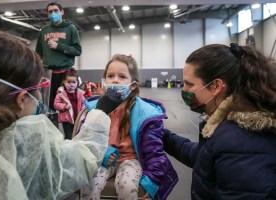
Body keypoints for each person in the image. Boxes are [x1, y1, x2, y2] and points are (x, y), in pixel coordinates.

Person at [0, 33, 123, 200]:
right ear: (21, 99)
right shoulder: (25, 142)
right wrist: (100, 113)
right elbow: (78, 163)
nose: (39, 96)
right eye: (39, 87)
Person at [163, 43, 276, 199]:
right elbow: (204, 157)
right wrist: (163, 137)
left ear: (216, 86)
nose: (184, 90)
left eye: (190, 84)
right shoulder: (227, 125)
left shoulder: (240, 140)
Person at [81, 54, 178, 200]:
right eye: (110, 75)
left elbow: (154, 151)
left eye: (122, 76)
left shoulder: (145, 113)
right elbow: (85, 139)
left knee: (126, 186)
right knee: (88, 183)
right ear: (104, 81)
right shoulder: (94, 108)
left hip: (131, 160)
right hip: (102, 159)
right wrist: (102, 151)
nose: (115, 80)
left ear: (132, 85)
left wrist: (152, 181)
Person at [35, 1, 82, 114]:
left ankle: (68, 130)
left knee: (67, 105)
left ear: (62, 12)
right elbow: (38, 53)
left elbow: (77, 50)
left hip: (65, 74)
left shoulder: (71, 28)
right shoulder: (44, 30)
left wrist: (59, 46)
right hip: (48, 74)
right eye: (50, 12)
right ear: (48, 14)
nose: (53, 13)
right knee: (48, 106)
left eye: (56, 11)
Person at [54, 68, 85, 140]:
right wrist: (64, 106)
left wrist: (82, 110)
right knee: (68, 137)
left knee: (77, 136)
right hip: (67, 120)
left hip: (77, 119)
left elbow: (84, 103)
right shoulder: (61, 93)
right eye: (69, 82)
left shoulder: (79, 93)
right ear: (64, 82)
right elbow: (56, 104)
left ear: (77, 82)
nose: (71, 84)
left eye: (74, 82)